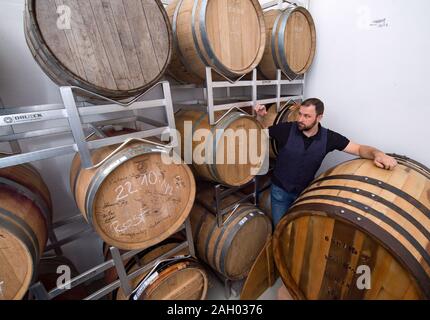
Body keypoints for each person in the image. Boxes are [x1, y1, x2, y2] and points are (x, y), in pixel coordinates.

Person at [255, 98, 398, 226]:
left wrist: (377, 154)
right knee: (280, 228)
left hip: (304, 194)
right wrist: (260, 118)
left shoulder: (329, 138)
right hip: (279, 192)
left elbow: (359, 149)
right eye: (300, 114)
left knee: (297, 230)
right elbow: (258, 134)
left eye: (307, 116)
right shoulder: (285, 129)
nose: (300, 119)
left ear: (319, 117)